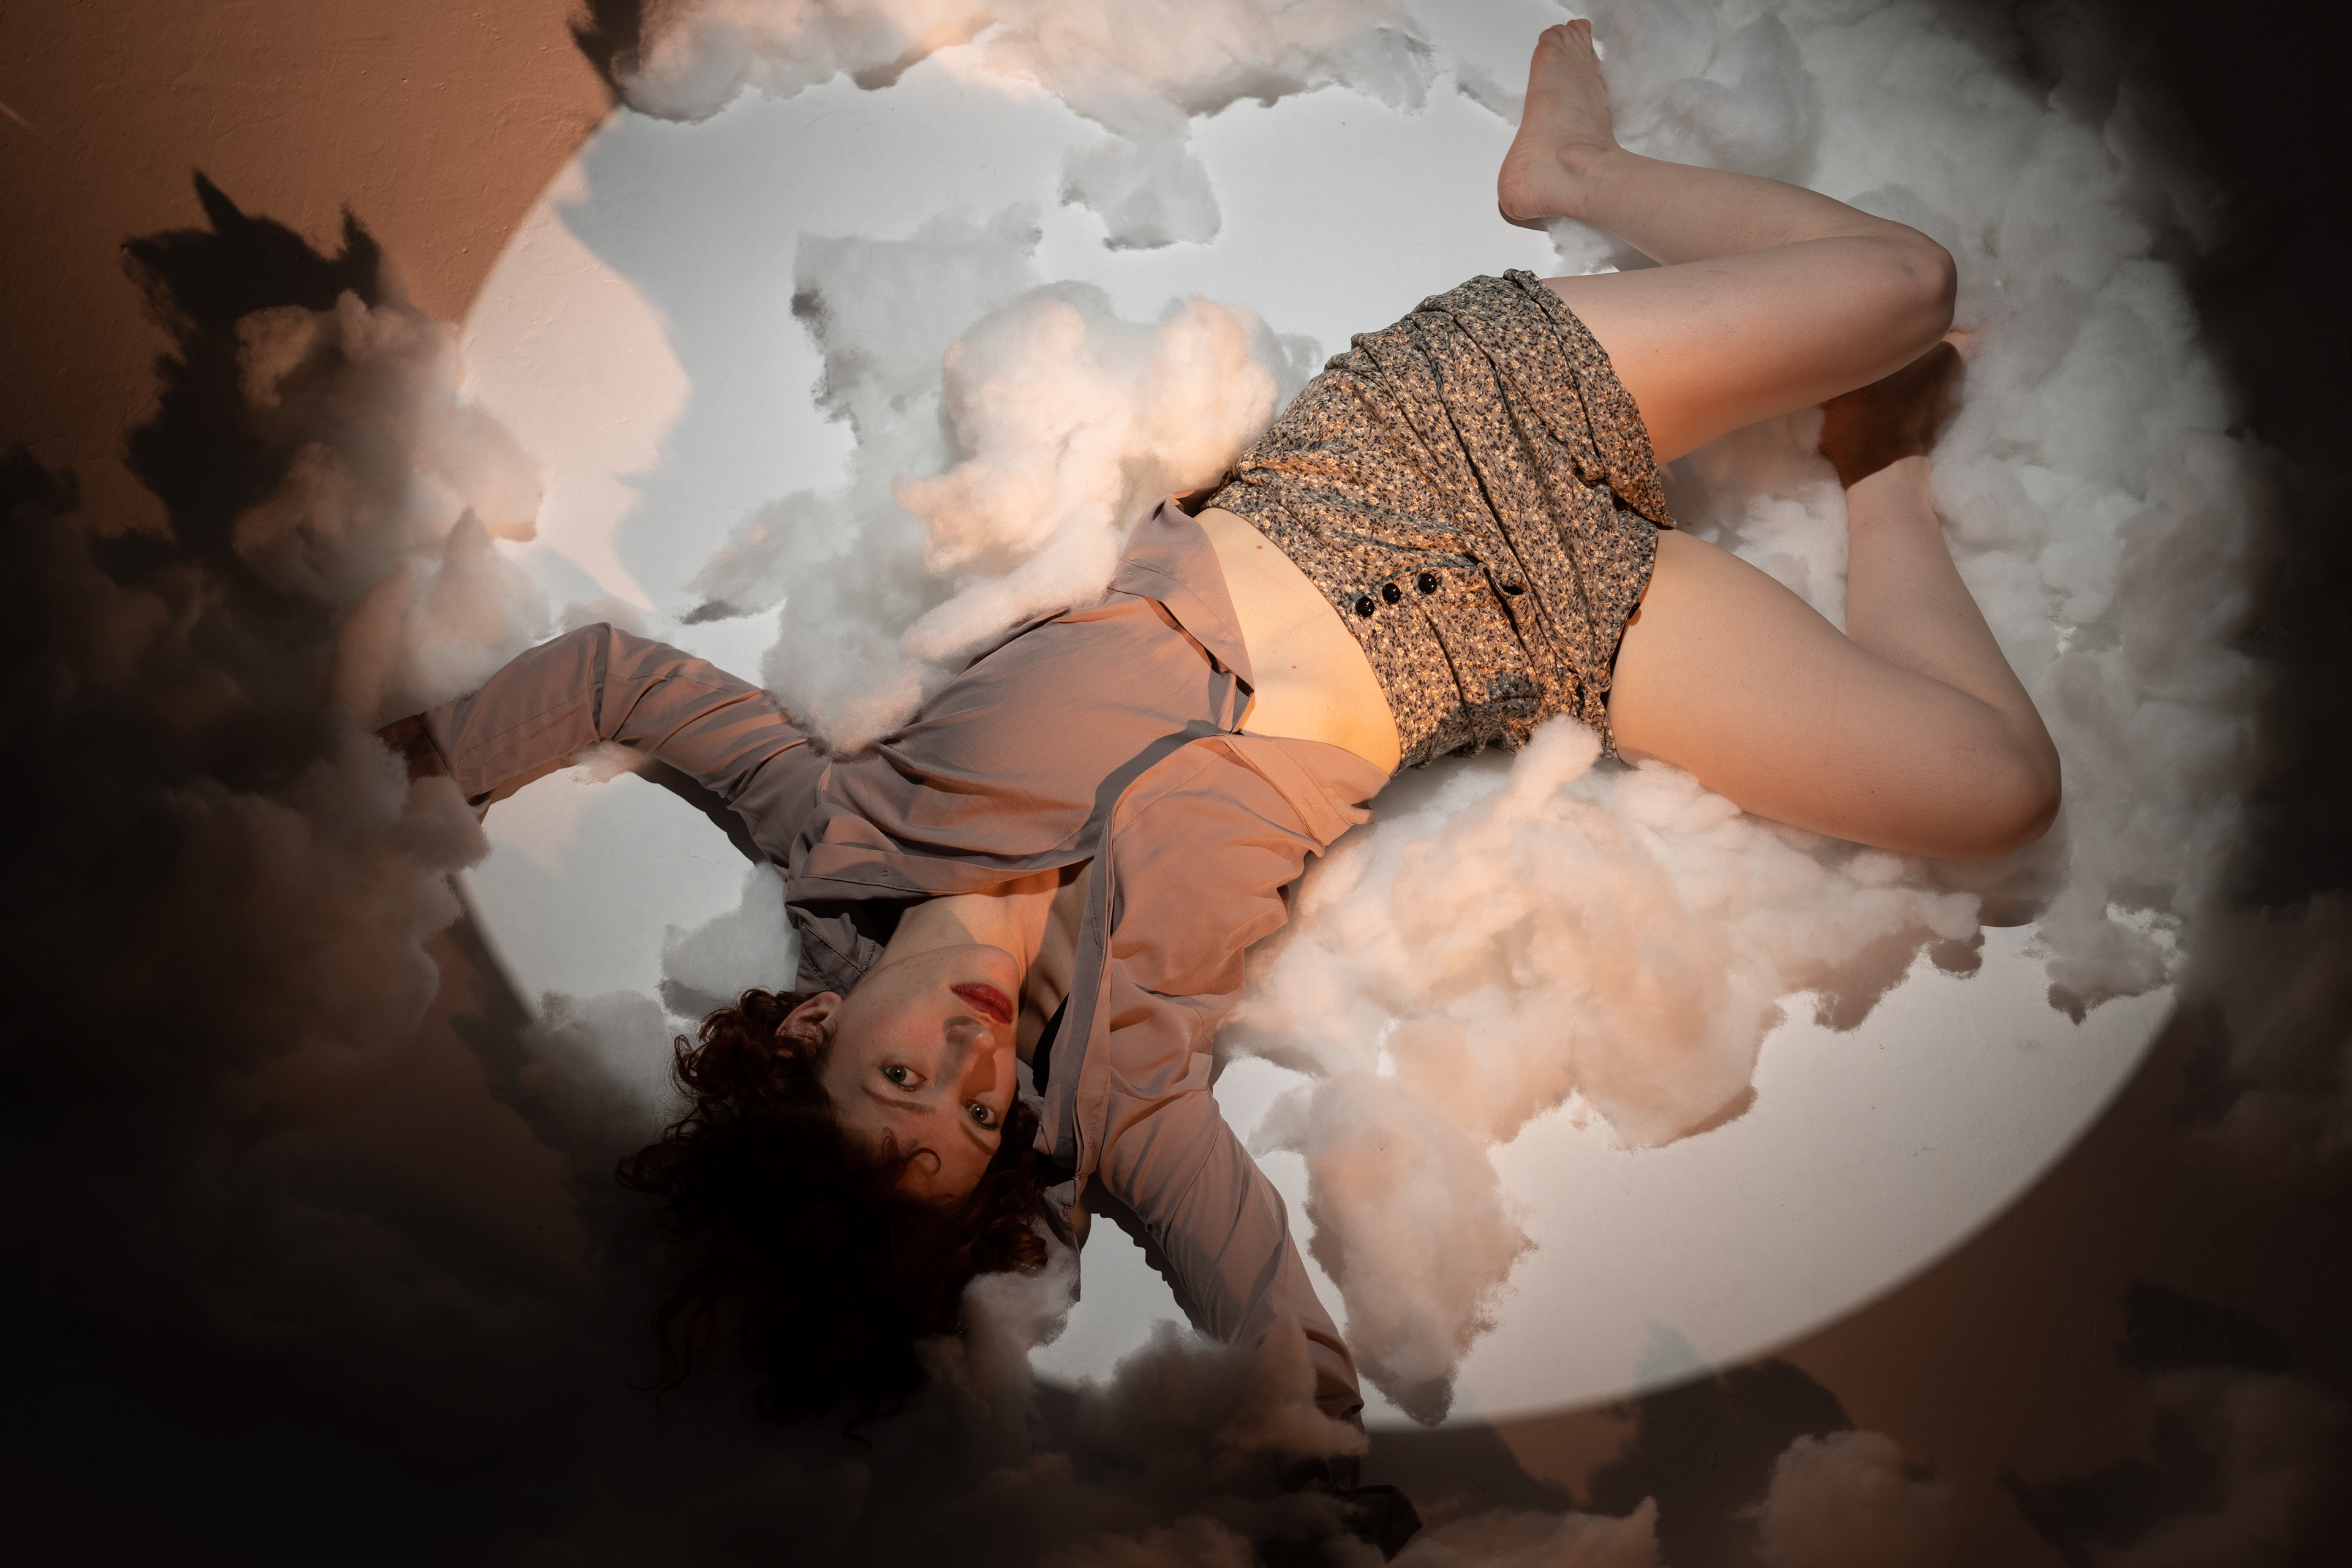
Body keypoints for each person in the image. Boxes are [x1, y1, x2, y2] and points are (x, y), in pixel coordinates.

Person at [383, 18, 2054, 1469]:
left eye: (896, 1078)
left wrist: (400, 775)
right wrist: (1310, 1479)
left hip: (1423, 446)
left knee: (1907, 283)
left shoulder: (836, 817)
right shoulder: (1120, 1092)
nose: (963, 1066)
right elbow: (1248, 1288)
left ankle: (1575, 173)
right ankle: (1881, 467)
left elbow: (615, 680)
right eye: (966, 1121)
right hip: (1549, 628)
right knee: (1995, 793)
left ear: (816, 1021)